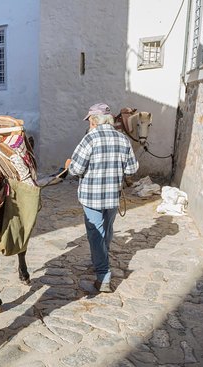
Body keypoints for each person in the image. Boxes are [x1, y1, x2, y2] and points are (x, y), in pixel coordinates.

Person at [65, 103, 139, 293]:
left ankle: (103, 276)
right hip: (112, 195)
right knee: (106, 231)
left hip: (92, 197)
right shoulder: (123, 139)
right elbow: (132, 169)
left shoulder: (90, 138)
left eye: (90, 120)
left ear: (95, 120)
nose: (89, 123)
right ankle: (101, 261)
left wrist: (69, 164)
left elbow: (76, 169)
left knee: (96, 235)